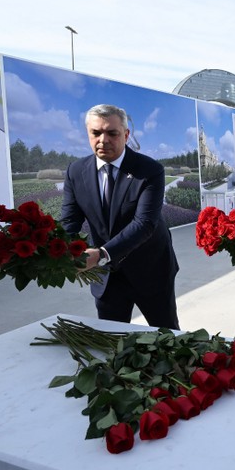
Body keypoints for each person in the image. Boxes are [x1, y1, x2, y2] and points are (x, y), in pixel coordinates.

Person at [61, 104, 179, 329]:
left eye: (112, 133)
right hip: (107, 277)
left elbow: (144, 224)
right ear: (88, 134)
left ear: (126, 135)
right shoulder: (75, 171)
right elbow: (69, 221)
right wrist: (57, 250)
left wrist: (101, 254)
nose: (103, 140)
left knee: (167, 334)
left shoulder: (149, 170)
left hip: (151, 271)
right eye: (96, 133)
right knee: (112, 340)